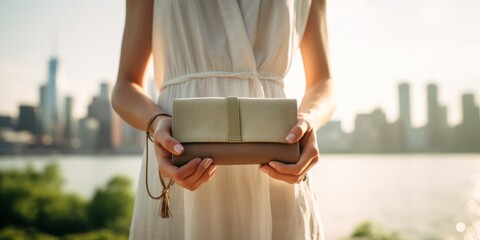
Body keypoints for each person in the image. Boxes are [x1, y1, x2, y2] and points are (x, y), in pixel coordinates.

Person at [112, 0, 336, 239]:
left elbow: (324, 82)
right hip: (176, 152)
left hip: (280, 163)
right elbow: (125, 85)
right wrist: (156, 121)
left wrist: (308, 118)